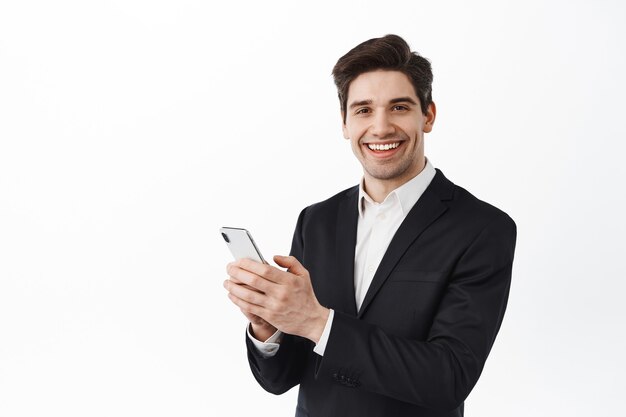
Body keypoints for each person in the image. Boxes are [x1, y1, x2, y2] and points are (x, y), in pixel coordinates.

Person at [223, 34, 517, 417]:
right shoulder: (317, 220)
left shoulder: (482, 228)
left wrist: (317, 321)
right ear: (345, 123)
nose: (380, 128)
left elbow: (449, 378)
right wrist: (269, 327)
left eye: (398, 107)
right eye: (363, 110)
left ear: (427, 115)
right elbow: (280, 378)